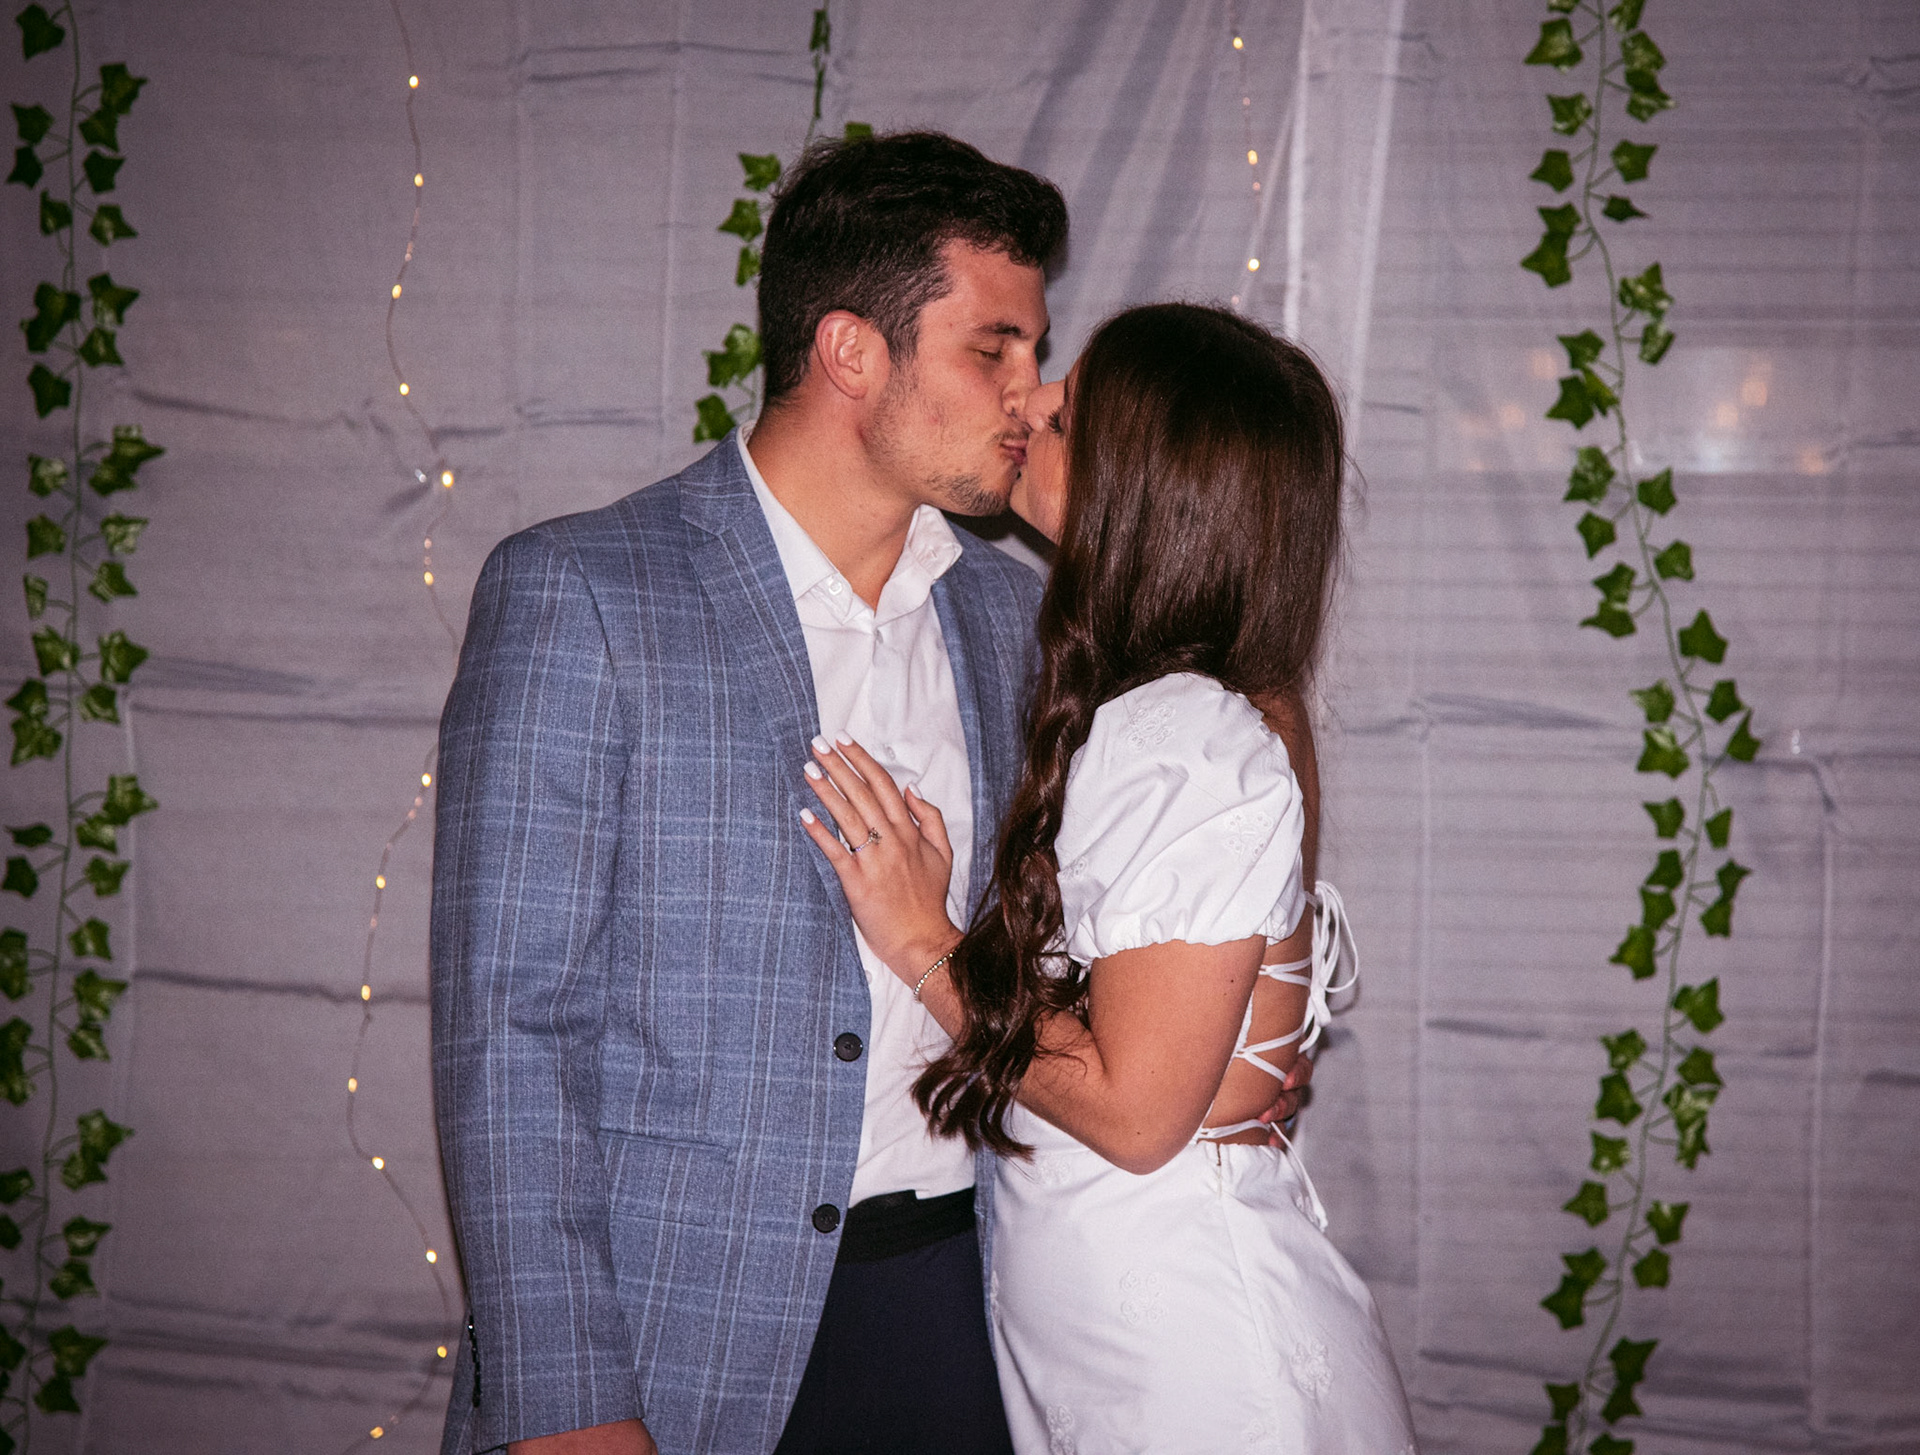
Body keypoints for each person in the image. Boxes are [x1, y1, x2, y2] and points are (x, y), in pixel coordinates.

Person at [429, 132, 1064, 1455]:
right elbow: (511, 1037)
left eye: (1034, 352)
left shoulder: (1014, 617)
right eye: (993, 350)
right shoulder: (585, 592)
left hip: (973, 1311)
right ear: (850, 352)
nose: (1033, 393)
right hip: (674, 1333)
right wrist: (569, 1405)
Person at [799, 303, 1419, 1453]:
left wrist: (923, 940)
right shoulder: (1200, 704)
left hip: (1190, 1361)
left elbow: (1136, 1116)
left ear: (1147, 485)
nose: (1028, 401)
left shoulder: (1182, 734)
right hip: (1129, 1333)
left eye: (1070, 408)